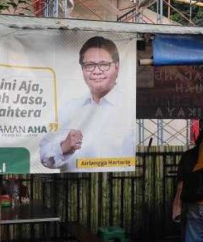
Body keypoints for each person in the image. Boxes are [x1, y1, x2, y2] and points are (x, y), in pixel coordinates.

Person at [39, 36, 133, 173]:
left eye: (104, 64)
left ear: (117, 67)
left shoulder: (130, 108)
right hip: (75, 190)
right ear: (82, 69)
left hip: (118, 189)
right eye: (89, 65)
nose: (96, 71)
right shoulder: (70, 108)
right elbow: (44, 154)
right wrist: (63, 147)